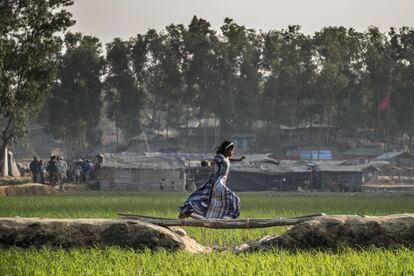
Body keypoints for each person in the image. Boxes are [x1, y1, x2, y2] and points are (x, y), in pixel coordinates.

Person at [178, 140, 245, 219]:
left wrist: (239, 160)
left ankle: (189, 213)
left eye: (233, 150)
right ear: (226, 150)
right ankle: (226, 218)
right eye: (231, 150)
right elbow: (213, 162)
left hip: (221, 182)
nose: (232, 152)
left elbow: (229, 160)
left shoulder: (226, 158)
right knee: (234, 199)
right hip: (218, 182)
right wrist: (207, 163)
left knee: (214, 201)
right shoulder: (220, 157)